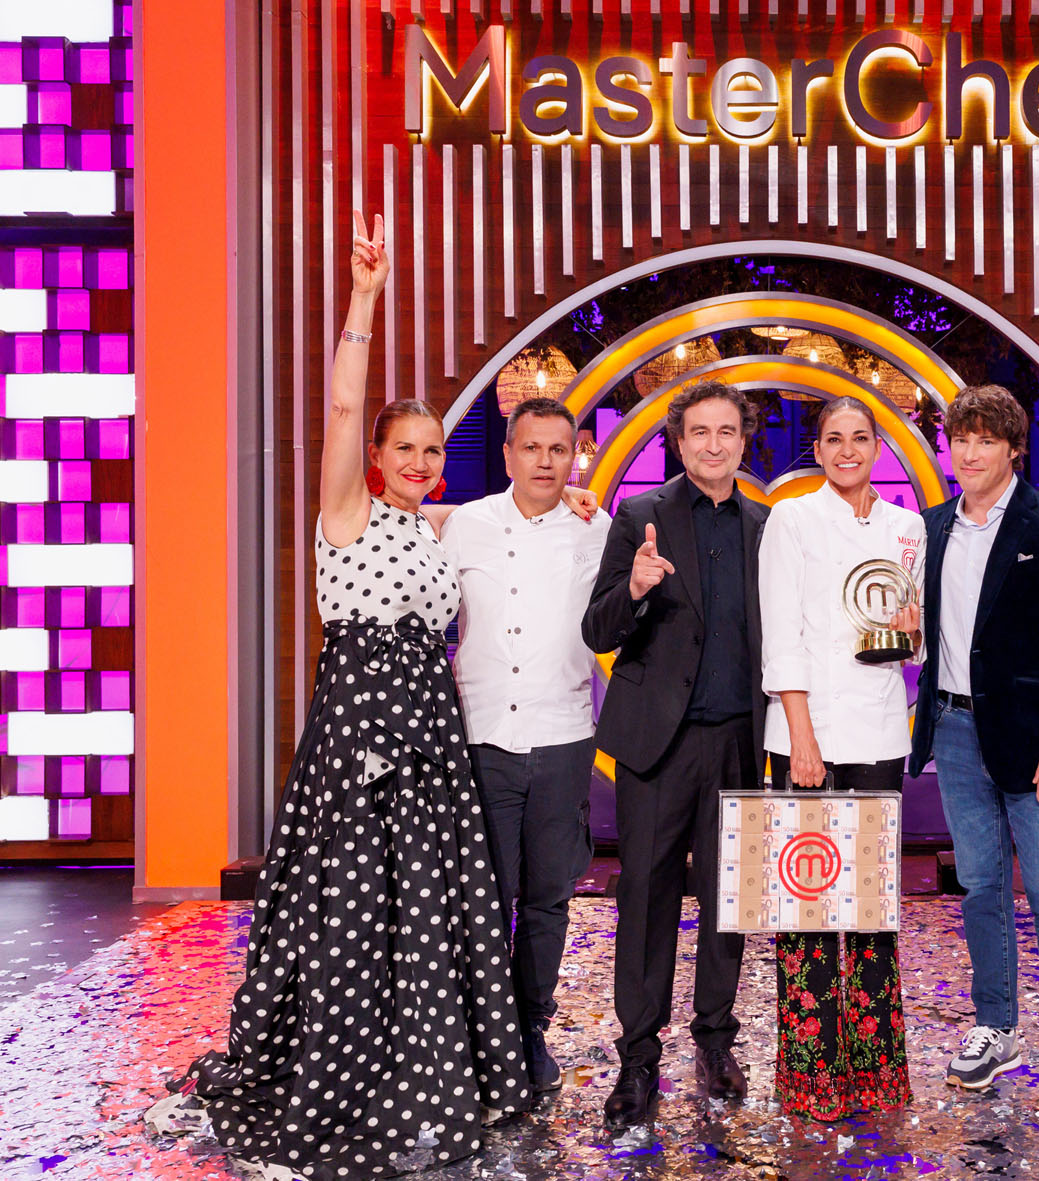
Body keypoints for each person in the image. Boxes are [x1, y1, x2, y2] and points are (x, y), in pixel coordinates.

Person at [146, 212, 534, 1178]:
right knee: (357, 911)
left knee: (428, 910)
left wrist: (569, 499)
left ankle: (428, 1078)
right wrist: (364, 297)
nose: (420, 463)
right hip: (362, 732)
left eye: (433, 450)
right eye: (404, 448)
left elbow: (510, 512)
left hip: (430, 735)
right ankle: (343, 1079)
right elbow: (341, 405)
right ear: (375, 455)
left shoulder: (435, 526)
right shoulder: (346, 513)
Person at [906, 384, 1039, 1132]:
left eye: (985, 440)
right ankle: (996, 1026)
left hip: (1037, 743)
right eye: (960, 439)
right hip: (956, 731)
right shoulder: (932, 527)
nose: (970, 453)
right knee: (981, 889)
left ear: (1014, 448)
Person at [582, 380, 768, 1129]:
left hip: (740, 740)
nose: (713, 445)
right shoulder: (640, 516)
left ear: (743, 440)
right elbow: (598, 628)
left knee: (730, 899)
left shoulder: (765, 524)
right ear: (678, 441)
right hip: (656, 743)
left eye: (726, 432)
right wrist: (633, 587)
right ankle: (638, 1056)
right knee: (646, 899)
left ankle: (716, 1041)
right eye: (699, 432)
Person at [757, 397, 924, 1122]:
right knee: (809, 905)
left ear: (878, 446)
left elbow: (910, 645)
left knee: (873, 909)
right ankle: (812, 1071)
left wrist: (912, 631)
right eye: (834, 438)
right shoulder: (791, 519)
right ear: (818, 448)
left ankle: (878, 1069)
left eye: (860, 437)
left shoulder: (907, 528)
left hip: (879, 733)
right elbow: (781, 634)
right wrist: (802, 737)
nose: (848, 449)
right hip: (808, 735)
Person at [439, 395, 609, 1096]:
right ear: (507, 454)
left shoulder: (596, 530)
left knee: (547, 898)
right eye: (531, 447)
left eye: (558, 449)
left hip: (563, 735)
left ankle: (530, 1027)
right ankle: (482, 1033)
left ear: (575, 458)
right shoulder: (466, 524)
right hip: (482, 735)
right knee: (484, 897)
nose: (545, 461)